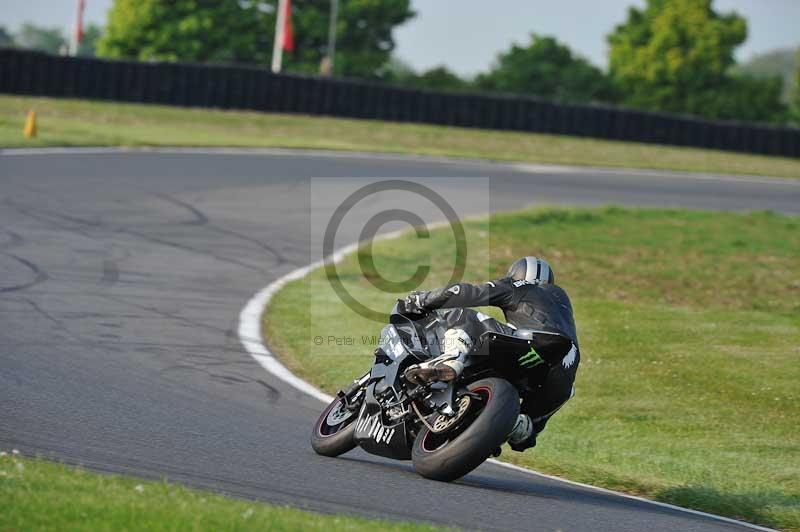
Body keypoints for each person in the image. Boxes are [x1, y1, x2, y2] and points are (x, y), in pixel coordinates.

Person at [402, 257, 579, 452]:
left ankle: (451, 360)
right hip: (561, 377)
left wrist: (422, 300)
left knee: (463, 314)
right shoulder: (562, 308)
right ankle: (518, 425)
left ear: (517, 274)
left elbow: (466, 292)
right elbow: (523, 445)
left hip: (533, 343)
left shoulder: (519, 286)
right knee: (528, 427)